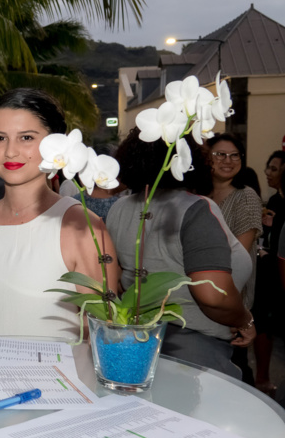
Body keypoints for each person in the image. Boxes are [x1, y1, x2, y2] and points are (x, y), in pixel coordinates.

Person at [0, 89, 117, 338]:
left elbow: (102, 336)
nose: (10, 151)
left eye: (26, 137)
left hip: (60, 377)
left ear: (56, 143)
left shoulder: (83, 227)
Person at [106, 129, 255, 378]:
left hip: (136, 341)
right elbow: (213, 296)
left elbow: (120, 279)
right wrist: (244, 319)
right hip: (193, 353)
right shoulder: (196, 209)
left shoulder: (119, 208)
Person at [201, 135, 262, 383]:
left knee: (233, 377)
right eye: (220, 154)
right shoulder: (196, 195)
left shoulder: (245, 197)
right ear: (207, 158)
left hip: (230, 300)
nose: (228, 160)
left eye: (234, 155)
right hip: (199, 297)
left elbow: (237, 258)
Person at [252, 151, 285, 394]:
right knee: (264, 323)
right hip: (269, 273)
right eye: (268, 167)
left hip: (281, 274)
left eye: (274, 169)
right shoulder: (274, 201)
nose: (268, 173)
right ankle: (262, 378)